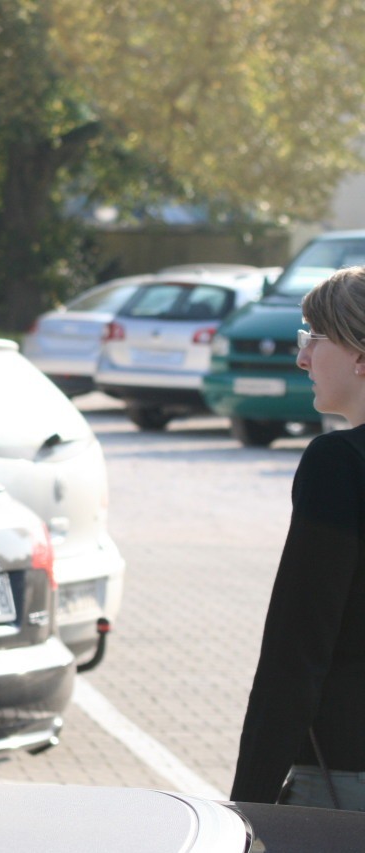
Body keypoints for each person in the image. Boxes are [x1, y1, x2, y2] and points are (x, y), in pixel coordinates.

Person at [232, 265, 365, 809]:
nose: (302, 357)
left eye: (314, 337)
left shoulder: (340, 464)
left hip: (345, 779)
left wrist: (248, 806)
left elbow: (297, 648)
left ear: (360, 355)